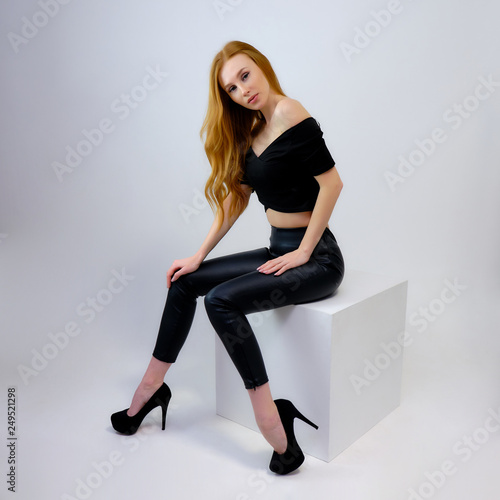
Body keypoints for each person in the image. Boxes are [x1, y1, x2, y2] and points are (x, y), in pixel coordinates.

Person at [111, 40, 344, 475]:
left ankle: (271, 420)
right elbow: (236, 201)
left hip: (319, 260)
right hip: (278, 248)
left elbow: (332, 184)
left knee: (221, 300)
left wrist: (305, 253)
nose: (242, 90)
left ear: (260, 66)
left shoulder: (290, 112)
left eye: (244, 75)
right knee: (184, 283)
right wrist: (198, 255)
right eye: (232, 89)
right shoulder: (249, 131)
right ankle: (150, 389)